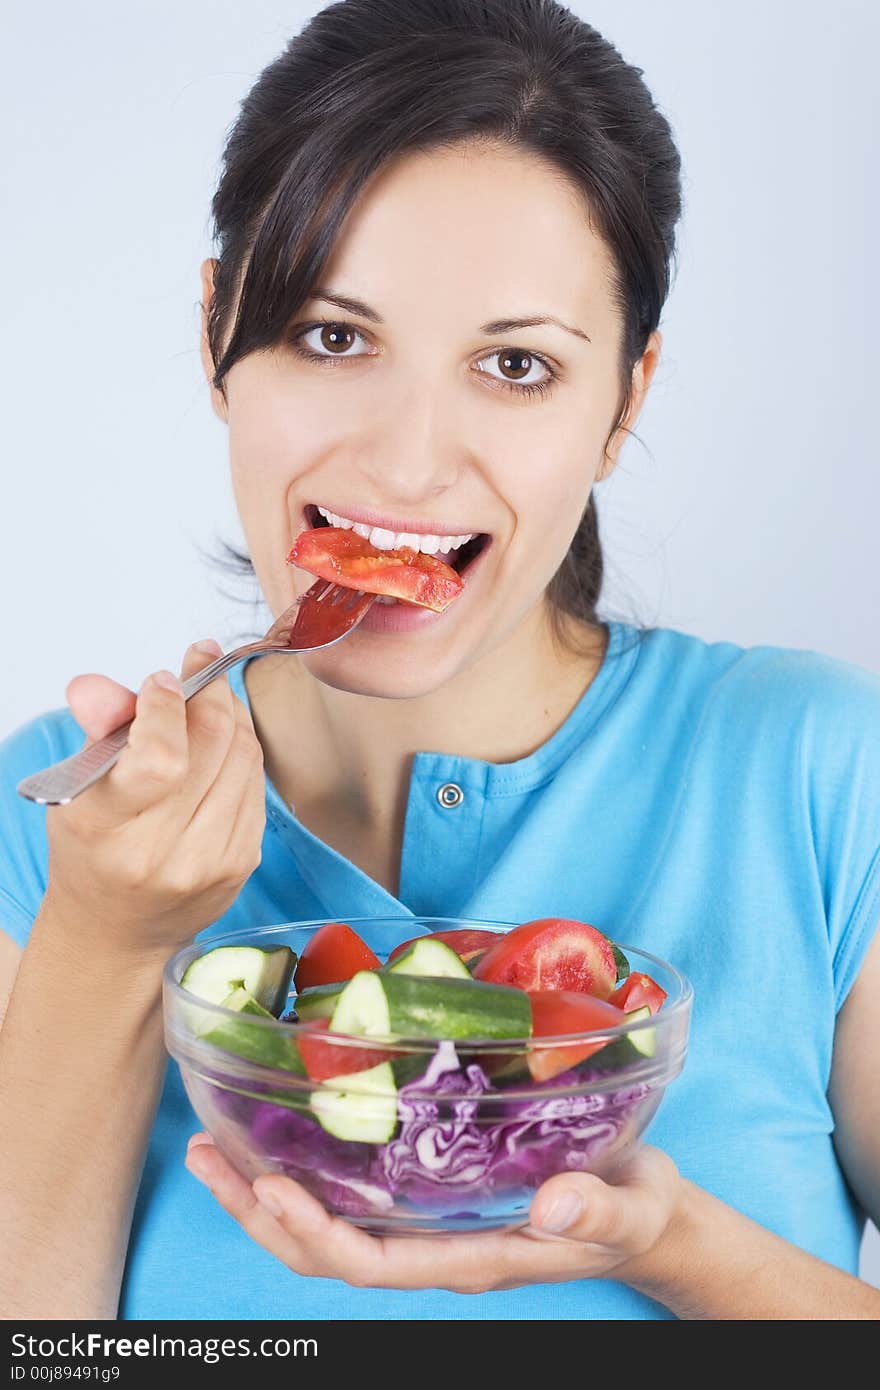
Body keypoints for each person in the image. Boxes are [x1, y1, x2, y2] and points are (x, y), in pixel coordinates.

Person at [1, 0, 878, 1322]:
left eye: (516, 364)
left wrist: (670, 1241)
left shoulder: (821, 773)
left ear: (623, 404)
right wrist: (104, 944)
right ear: (214, 336)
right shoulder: (50, 819)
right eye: (333, 336)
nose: (410, 463)